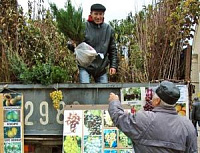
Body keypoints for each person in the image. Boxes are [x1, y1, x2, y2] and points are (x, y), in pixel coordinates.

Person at [108, 80, 197, 153]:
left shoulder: (145, 119)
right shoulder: (187, 125)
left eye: (153, 96)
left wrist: (114, 101)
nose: (151, 99)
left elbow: (119, 118)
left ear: (157, 101)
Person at [68, 3, 118, 83]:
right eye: (96, 14)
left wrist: (113, 66)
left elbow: (112, 50)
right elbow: (72, 46)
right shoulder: (83, 28)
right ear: (91, 14)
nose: (98, 17)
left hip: (101, 68)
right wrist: (72, 44)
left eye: (100, 14)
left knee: (103, 93)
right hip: (85, 66)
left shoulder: (108, 29)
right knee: (85, 92)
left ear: (103, 14)